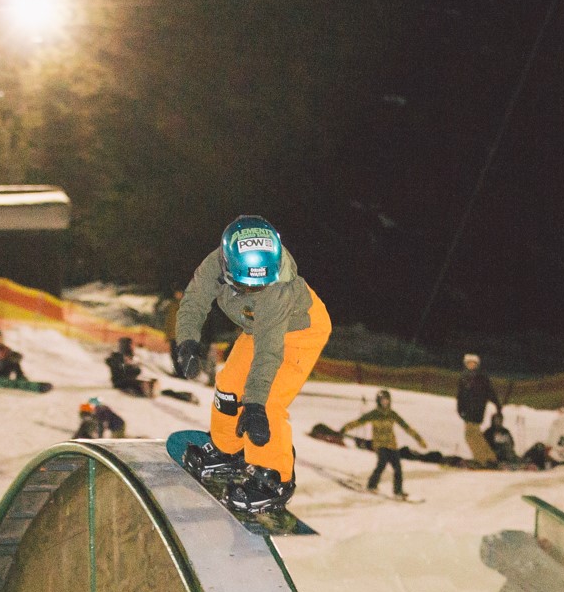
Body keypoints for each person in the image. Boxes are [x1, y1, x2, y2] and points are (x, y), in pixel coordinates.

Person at [171, 215, 332, 513]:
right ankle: (228, 449)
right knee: (229, 385)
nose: (256, 290)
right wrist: (187, 342)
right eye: (248, 284)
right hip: (258, 328)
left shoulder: (276, 290)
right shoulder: (215, 264)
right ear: (228, 265)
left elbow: (269, 353)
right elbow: (194, 300)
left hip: (299, 333)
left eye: (261, 284)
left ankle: (275, 476)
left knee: (268, 403)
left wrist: (255, 405)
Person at [342, 389, 426, 497]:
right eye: (382, 400)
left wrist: (419, 439)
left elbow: (407, 427)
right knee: (382, 463)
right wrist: (345, 428)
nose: (385, 402)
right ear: (378, 401)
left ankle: (398, 491)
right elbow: (358, 422)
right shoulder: (374, 414)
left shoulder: (392, 414)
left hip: (392, 444)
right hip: (380, 444)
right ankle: (372, 485)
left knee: (398, 468)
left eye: (386, 400)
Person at [456, 353, 503, 467]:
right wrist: (460, 410)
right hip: (467, 411)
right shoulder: (464, 378)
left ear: (477, 365)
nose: (471, 365)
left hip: (476, 410)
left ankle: (482, 459)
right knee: (475, 435)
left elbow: (490, 392)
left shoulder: (481, 378)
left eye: (473, 363)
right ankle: (489, 458)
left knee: (471, 436)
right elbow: (460, 396)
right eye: (469, 363)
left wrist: (497, 404)